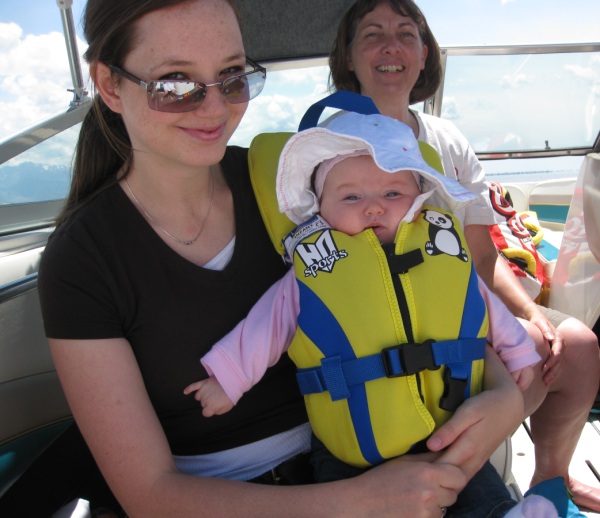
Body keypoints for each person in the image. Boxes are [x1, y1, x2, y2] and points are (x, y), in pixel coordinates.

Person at [35, 0, 526, 516]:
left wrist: (502, 395)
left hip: (381, 451)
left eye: (230, 77)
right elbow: (150, 495)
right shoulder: (84, 259)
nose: (214, 108)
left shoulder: (295, 186)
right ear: (110, 86)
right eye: (175, 84)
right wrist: (356, 501)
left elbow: (425, 291)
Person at [184, 111, 554, 517]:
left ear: (417, 201)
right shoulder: (315, 268)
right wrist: (229, 378)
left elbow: (482, 305)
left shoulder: (443, 252)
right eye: (352, 197)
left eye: (393, 194)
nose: (374, 208)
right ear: (320, 209)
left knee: (476, 485)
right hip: (352, 455)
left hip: (448, 428)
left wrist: (518, 353)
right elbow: (265, 327)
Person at [328, 0, 600, 511]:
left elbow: (482, 256)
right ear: (348, 58)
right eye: (373, 35)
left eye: (406, 34)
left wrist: (530, 312)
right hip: (388, 318)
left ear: (424, 53)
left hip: (470, 301)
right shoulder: (326, 143)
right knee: (522, 358)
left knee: (578, 346)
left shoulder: (447, 141)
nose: (392, 47)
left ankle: (550, 480)